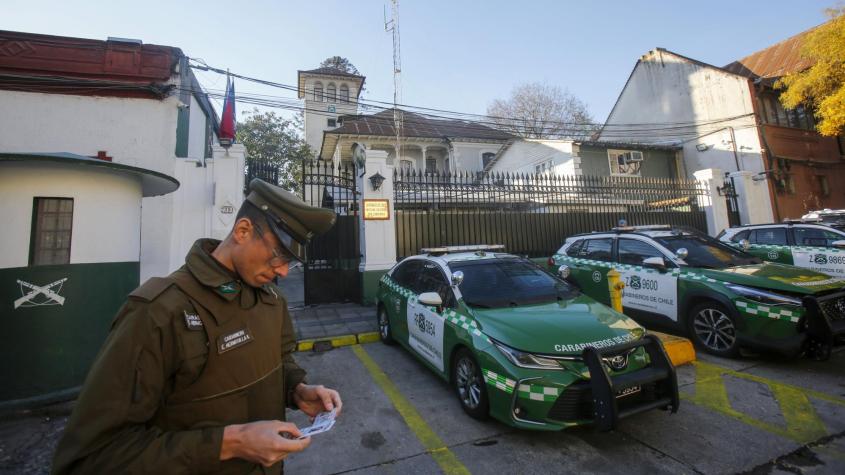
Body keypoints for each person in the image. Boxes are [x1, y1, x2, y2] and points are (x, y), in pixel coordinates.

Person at [52, 178, 341, 474]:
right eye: (278, 255)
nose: (282, 270)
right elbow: (90, 458)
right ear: (243, 231)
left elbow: (277, 362)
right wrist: (230, 443)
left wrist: (297, 389)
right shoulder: (159, 312)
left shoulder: (271, 301)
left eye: (290, 263)